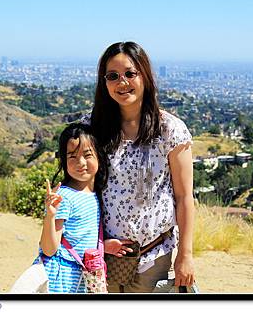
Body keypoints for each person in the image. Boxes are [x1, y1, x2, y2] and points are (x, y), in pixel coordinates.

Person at [83, 41, 195, 293]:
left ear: (145, 75)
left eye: (130, 74)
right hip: (101, 256)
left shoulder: (170, 130)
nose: (122, 83)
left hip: (154, 257)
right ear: (104, 82)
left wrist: (185, 255)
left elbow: (184, 196)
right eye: (113, 76)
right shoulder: (90, 128)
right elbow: (79, 187)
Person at [38, 123, 107, 293]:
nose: (81, 163)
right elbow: (48, 249)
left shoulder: (96, 194)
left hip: (82, 278)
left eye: (87, 155)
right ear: (64, 160)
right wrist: (50, 215)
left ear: (99, 155)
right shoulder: (64, 196)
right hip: (61, 278)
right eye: (72, 157)